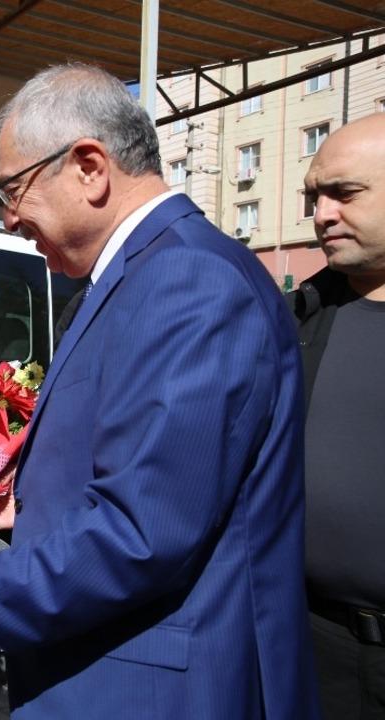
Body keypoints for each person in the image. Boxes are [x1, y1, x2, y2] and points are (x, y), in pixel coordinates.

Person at [0, 63, 319, 718]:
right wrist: (20, 505)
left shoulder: (188, 281)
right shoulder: (137, 277)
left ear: (90, 168)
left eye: (12, 189)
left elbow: (141, 533)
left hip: (152, 693)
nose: (8, 218)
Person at [295, 112, 385, 719]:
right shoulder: (293, 317)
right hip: (314, 646)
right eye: (315, 197)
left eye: (344, 193)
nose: (322, 214)